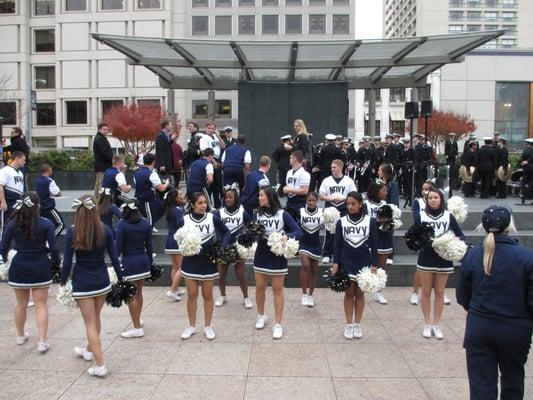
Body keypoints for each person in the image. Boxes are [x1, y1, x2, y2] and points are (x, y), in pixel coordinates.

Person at [457, 205, 533, 400]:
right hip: (516, 327)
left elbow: (462, 296)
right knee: (513, 379)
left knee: (482, 385)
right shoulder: (526, 257)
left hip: (481, 325)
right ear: (510, 225)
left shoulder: (473, 255)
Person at [60, 195, 122, 377]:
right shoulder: (106, 230)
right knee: (95, 318)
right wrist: (120, 279)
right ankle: (88, 349)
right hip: (102, 281)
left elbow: (67, 262)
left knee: (89, 322)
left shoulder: (73, 231)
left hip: (83, 281)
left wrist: (63, 281)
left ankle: (100, 364)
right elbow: (115, 259)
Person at [0, 192, 60, 353]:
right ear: (38, 206)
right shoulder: (46, 224)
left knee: (21, 304)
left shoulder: (12, 223)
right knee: (41, 304)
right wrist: (56, 263)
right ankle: (42, 340)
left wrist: (5, 260)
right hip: (40, 265)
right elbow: (54, 248)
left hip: (19, 266)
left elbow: (3, 247)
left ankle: (20, 335)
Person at [179, 192, 231, 341]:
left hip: (208, 262)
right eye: (200, 203)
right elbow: (178, 237)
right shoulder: (184, 220)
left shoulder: (212, 217)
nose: (203, 206)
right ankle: (191, 325)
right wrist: (184, 246)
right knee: (192, 295)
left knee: (207, 296)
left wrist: (221, 246)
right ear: (192, 204)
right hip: (190, 262)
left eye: (204, 203)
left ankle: (208, 326)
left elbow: (227, 232)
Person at [253, 187, 302, 339]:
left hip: (277, 255)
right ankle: (261, 315)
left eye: (261, 195)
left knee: (277, 290)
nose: (259, 198)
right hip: (261, 254)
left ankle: (278, 323)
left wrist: (285, 237)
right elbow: (253, 232)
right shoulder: (257, 214)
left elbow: (298, 231)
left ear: (269, 197)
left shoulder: (283, 214)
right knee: (260, 287)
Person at [415, 189, 464, 339]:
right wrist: (425, 242)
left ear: (441, 199)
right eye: (430, 198)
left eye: (436, 197)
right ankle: (427, 323)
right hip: (426, 257)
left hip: (444, 258)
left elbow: (461, 235)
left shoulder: (448, 216)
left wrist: (451, 242)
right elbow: (414, 235)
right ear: (426, 200)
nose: (433, 200)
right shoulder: (421, 216)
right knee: (426, 292)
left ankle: (436, 324)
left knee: (440, 293)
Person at [332, 191, 378, 340]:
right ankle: (348, 324)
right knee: (348, 293)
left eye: (353, 204)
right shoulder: (341, 222)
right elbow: (337, 245)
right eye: (348, 204)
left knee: (360, 293)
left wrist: (374, 264)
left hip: (363, 259)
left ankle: (357, 324)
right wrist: (335, 263)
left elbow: (375, 245)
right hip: (346, 259)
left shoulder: (370, 221)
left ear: (360, 204)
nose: (350, 206)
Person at [115, 200, 153, 339]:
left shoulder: (122, 224)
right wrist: (150, 261)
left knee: (130, 295)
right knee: (139, 292)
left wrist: (115, 263)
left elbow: (118, 247)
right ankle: (138, 318)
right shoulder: (145, 223)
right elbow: (149, 244)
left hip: (130, 262)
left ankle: (137, 327)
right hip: (143, 260)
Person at [213, 188, 253, 309]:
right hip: (223, 247)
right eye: (226, 197)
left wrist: (245, 243)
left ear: (236, 198)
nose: (228, 199)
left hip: (238, 248)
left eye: (231, 197)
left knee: (240, 275)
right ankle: (222, 295)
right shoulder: (218, 213)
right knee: (222, 274)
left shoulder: (243, 213)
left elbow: (249, 228)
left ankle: (246, 297)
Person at [319, 159, 356, 263]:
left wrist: (343, 199)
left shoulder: (348, 180)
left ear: (340, 168)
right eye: (331, 167)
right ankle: (327, 253)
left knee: (343, 231)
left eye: (334, 167)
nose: (332, 169)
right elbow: (321, 196)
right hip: (330, 208)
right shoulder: (327, 180)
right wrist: (331, 198)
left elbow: (353, 195)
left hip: (344, 208)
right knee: (329, 231)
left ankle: (341, 253)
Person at [365, 181, 392, 305]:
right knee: (367, 265)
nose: (386, 192)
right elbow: (365, 221)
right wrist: (377, 221)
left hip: (384, 238)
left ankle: (379, 292)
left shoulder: (386, 204)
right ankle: (362, 288)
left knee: (382, 266)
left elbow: (390, 221)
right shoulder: (366, 205)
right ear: (376, 191)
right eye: (383, 190)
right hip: (370, 238)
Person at [298, 192, 323, 308]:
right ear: (306, 201)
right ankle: (303, 294)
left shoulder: (323, 212)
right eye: (309, 200)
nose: (311, 202)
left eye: (313, 200)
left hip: (316, 244)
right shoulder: (301, 211)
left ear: (317, 201)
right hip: (304, 243)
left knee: (313, 270)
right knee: (305, 265)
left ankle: (310, 295)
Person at [134, 153, 170, 229]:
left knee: (162, 206)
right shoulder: (152, 174)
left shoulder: (136, 173)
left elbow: (141, 184)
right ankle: (147, 235)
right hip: (147, 200)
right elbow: (162, 188)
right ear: (153, 162)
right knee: (149, 224)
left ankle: (151, 223)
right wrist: (167, 183)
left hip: (141, 199)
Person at [164, 188, 186, 301]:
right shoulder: (178, 210)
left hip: (169, 240)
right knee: (181, 268)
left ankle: (175, 288)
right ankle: (172, 290)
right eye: (181, 194)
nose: (183, 195)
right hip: (177, 241)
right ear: (176, 198)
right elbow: (180, 224)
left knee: (175, 266)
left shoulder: (170, 208)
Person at [200, 121, 225, 208]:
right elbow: (205, 152)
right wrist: (213, 161)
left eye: (212, 128)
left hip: (217, 159)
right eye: (209, 128)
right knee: (210, 184)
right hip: (210, 159)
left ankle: (217, 204)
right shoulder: (204, 138)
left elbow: (223, 146)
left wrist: (218, 135)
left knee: (217, 184)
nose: (211, 130)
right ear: (206, 128)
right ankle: (208, 204)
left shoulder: (215, 137)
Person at [0, 151, 26, 234]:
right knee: (6, 226)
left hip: (19, 203)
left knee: (18, 226)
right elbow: (0, 186)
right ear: (17, 159)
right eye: (23, 160)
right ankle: (3, 246)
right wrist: (3, 202)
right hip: (9, 203)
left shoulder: (21, 173)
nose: (24, 162)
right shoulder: (5, 170)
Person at [35, 164, 64, 236]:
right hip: (48, 207)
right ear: (49, 171)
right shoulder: (49, 181)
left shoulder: (38, 180)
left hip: (39, 207)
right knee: (60, 224)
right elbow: (58, 193)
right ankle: (51, 239)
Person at [283, 150, 310, 221]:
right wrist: (285, 188)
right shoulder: (289, 172)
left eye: (291, 158)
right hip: (289, 202)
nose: (289, 159)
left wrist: (288, 190)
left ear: (295, 159)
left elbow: (305, 190)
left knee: (299, 225)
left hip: (299, 203)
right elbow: (287, 185)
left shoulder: (304, 173)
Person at [93, 123, 113, 198]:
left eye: (106, 129)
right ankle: (98, 203)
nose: (106, 131)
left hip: (101, 166)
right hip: (103, 166)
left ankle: (96, 201)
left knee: (98, 184)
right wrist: (112, 160)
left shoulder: (99, 138)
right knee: (100, 185)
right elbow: (104, 152)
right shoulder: (100, 139)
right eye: (104, 129)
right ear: (99, 130)